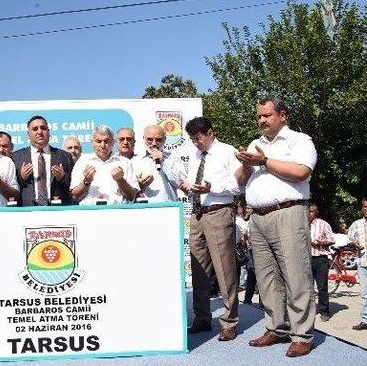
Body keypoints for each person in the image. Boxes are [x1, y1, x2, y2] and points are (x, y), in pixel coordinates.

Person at [235, 96, 317, 357]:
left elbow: (302, 172)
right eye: (259, 116)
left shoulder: (299, 140)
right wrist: (247, 165)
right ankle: (276, 327)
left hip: (288, 213)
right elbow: (239, 181)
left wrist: (264, 162)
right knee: (267, 278)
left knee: (296, 274)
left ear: (282, 115)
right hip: (257, 217)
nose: (261, 120)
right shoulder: (255, 144)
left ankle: (302, 334)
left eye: (266, 115)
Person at [172, 117, 241, 342]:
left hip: (220, 211)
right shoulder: (194, 156)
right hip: (197, 212)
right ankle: (202, 318)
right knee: (199, 269)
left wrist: (213, 187)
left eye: (198, 138)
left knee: (225, 269)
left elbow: (239, 185)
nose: (196, 143)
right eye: (192, 140)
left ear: (210, 133)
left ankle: (230, 322)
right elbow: (191, 180)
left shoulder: (228, 151)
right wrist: (185, 185)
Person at [11, 116, 74, 206]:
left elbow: (73, 187)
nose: (39, 132)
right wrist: (21, 178)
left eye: (43, 128)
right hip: (27, 210)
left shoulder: (64, 156)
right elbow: (11, 188)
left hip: (57, 209)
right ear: (28, 134)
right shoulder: (16, 157)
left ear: (49, 132)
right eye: (35, 129)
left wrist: (62, 178)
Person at [70, 125, 138, 205]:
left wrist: (120, 180)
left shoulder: (125, 162)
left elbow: (132, 197)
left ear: (113, 142)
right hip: (90, 213)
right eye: (98, 141)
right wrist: (86, 181)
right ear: (92, 142)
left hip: (118, 212)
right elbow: (74, 197)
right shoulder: (82, 162)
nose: (102, 145)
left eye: (106, 141)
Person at [132, 125, 178, 202]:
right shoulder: (135, 161)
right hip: (145, 208)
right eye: (150, 139)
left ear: (164, 140)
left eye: (158, 140)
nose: (154, 143)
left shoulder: (173, 158)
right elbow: (130, 192)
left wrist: (163, 161)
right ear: (144, 139)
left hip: (169, 207)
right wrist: (140, 185)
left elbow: (178, 183)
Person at [309, 202, 334, 322]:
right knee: (306, 287)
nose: (309, 214)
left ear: (316, 212)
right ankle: (308, 310)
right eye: (307, 211)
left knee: (322, 286)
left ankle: (324, 311)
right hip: (306, 259)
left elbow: (331, 240)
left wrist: (319, 243)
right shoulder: (302, 225)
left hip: (320, 259)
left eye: (311, 211)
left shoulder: (323, 224)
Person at [348, 197, 367, 331]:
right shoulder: (357, 224)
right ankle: (365, 320)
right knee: (365, 294)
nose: (366, 210)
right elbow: (349, 238)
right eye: (365, 207)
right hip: (363, 262)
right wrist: (355, 244)